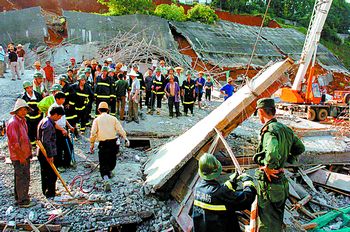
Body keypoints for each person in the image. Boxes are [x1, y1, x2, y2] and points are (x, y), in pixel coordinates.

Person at [253, 98, 305, 232]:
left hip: (269, 185)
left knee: (266, 222)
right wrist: (286, 160)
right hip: (281, 183)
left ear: (261, 111)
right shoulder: (285, 129)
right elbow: (300, 148)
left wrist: (269, 167)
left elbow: (272, 152)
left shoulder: (269, 131)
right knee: (276, 219)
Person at [192, 153, 256, 232]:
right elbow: (246, 199)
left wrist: (232, 181)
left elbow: (219, 192)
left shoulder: (198, 188)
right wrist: (248, 182)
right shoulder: (220, 193)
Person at [90, 102, 129, 192]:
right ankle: (110, 171)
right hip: (113, 143)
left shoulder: (97, 120)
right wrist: (126, 138)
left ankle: (105, 178)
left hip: (103, 144)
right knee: (112, 160)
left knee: (103, 162)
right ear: (108, 110)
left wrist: (92, 144)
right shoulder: (113, 119)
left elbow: (93, 133)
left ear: (98, 110)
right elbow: (120, 130)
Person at [7, 99, 36, 208]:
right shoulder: (13, 123)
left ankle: (19, 196)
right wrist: (21, 157)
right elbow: (14, 143)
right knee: (22, 176)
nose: (24, 112)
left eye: (25, 110)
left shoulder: (22, 120)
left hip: (24, 154)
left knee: (21, 176)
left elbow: (25, 138)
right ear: (17, 111)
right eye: (22, 110)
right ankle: (22, 200)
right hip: (19, 156)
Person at [37, 106, 65, 198]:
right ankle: (50, 192)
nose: (60, 118)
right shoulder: (48, 124)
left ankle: (47, 191)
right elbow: (46, 141)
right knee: (50, 174)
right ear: (55, 114)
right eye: (59, 116)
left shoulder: (46, 121)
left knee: (46, 173)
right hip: (46, 153)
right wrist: (50, 155)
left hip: (44, 152)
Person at [48, 92, 75, 170]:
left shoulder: (61, 106)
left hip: (63, 129)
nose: (64, 100)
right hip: (57, 130)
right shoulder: (53, 108)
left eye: (64, 99)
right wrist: (62, 129)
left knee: (69, 146)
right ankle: (59, 165)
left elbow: (64, 118)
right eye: (62, 99)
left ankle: (67, 163)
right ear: (57, 99)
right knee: (58, 148)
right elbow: (52, 122)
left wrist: (69, 126)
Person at [21, 81, 43, 147]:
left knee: (38, 130)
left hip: (38, 117)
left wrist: (40, 110)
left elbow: (42, 104)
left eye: (30, 87)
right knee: (30, 131)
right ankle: (32, 145)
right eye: (27, 88)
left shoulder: (38, 95)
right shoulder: (23, 97)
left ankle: (39, 144)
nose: (29, 89)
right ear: (25, 89)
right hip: (28, 118)